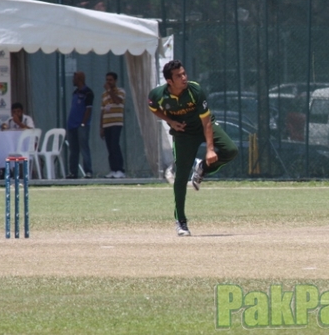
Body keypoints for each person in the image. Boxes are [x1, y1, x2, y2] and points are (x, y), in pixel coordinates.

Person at [148, 60, 238, 236]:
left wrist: (210, 150)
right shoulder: (158, 94)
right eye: (178, 76)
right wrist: (171, 121)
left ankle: (202, 168)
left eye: (184, 73)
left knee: (231, 150)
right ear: (169, 81)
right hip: (183, 134)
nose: (184, 78)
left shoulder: (195, 90)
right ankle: (181, 221)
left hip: (203, 126)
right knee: (181, 177)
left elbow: (206, 122)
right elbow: (152, 107)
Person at [66, 71, 94, 179]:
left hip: (81, 125)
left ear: (79, 79)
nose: (73, 81)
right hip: (72, 125)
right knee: (73, 150)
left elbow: (88, 109)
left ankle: (88, 171)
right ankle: (73, 172)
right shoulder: (75, 93)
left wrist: (83, 123)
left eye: (74, 78)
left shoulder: (88, 93)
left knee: (84, 148)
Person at [100, 71, 126, 179]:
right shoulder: (104, 95)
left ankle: (120, 170)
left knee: (115, 146)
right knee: (110, 147)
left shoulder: (120, 91)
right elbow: (102, 111)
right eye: (107, 80)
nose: (108, 82)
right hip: (107, 123)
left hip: (116, 123)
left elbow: (118, 101)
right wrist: (101, 127)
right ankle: (113, 169)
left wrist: (110, 90)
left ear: (115, 81)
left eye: (110, 80)